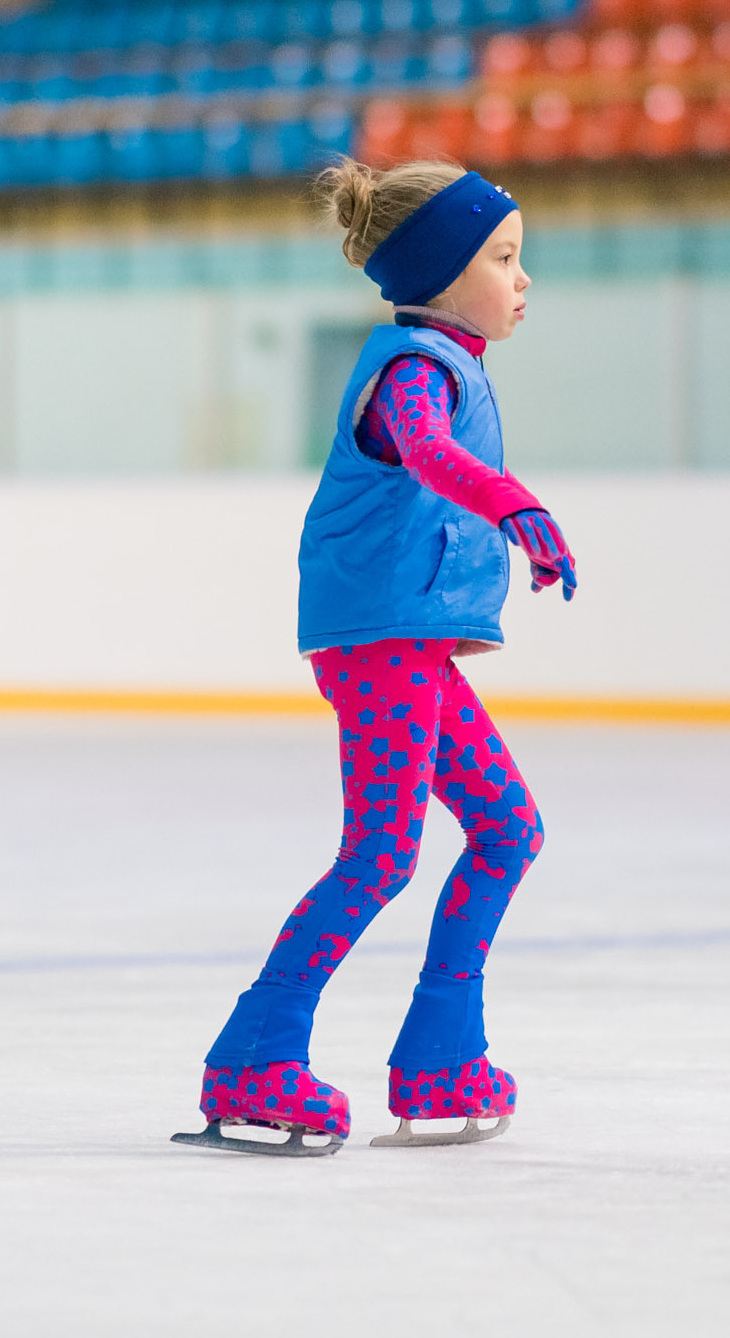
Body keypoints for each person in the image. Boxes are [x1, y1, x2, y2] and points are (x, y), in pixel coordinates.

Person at [177, 157, 576, 1157]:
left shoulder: (448, 361)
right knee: (385, 849)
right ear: (440, 271)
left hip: (410, 643)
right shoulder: (412, 372)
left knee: (506, 827)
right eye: (503, 258)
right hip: (378, 645)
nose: (522, 279)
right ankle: (256, 1057)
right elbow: (431, 453)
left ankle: (440, 1056)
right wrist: (516, 505)